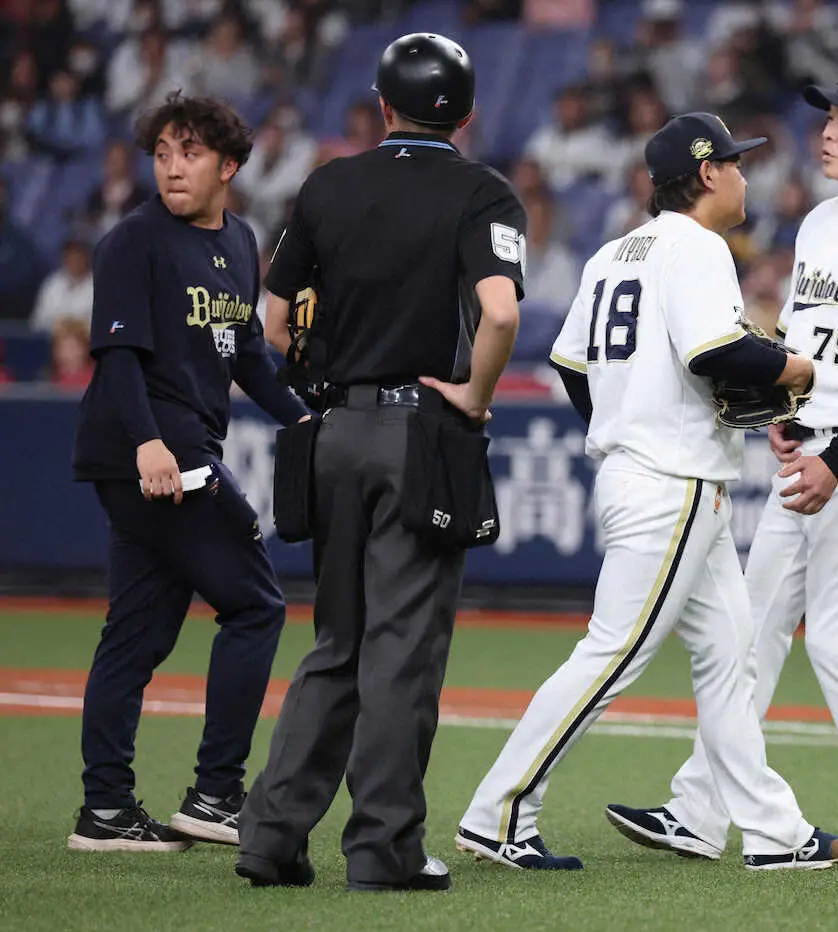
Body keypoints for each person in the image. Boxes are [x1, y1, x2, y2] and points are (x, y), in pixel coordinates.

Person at [457, 112, 838, 872]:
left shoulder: (615, 250)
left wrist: (624, 422)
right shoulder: (699, 246)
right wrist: (793, 368)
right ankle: (498, 814)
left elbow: (572, 366)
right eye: (735, 164)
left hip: (655, 474)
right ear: (707, 174)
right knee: (610, 655)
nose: (743, 175)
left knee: (730, 655)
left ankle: (772, 832)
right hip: (670, 483)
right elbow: (717, 352)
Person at [610, 67, 838, 866]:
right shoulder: (823, 221)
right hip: (813, 449)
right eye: (828, 115)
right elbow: (800, 343)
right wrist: (785, 419)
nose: (828, 129)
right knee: (750, 636)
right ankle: (698, 812)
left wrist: (836, 456)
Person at [236, 33, 526, 893]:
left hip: (335, 431)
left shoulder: (328, 183)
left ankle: (271, 835)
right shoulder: (482, 191)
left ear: (382, 103)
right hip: (417, 434)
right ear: (466, 114)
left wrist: (326, 379)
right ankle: (384, 848)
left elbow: (274, 322)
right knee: (400, 648)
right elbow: (501, 313)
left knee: (337, 642)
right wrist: (473, 395)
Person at [68, 93, 311, 852]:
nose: (173, 168)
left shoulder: (239, 239)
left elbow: (249, 356)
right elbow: (116, 357)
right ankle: (216, 794)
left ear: (228, 166)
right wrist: (148, 444)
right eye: (163, 154)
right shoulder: (132, 241)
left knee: (136, 634)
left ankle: (106, 811)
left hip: (174, 453)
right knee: (257, 606)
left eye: (191, 153)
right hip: (158, 452)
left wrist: (305, 420)